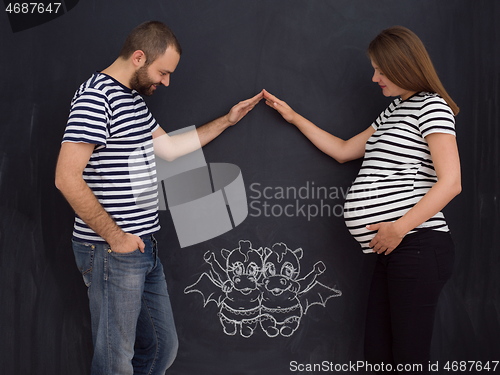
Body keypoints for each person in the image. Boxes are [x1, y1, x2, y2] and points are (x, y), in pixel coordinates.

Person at [55, 21, 262, 375]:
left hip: (143, 248)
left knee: (161, 349)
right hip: (112, 251)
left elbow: (169, 149)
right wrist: (116, 237)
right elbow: (66, 178)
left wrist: (227, 121)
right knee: (115, 362)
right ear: (139, 57)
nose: (165, 82)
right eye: (163, 72)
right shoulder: (96, 97)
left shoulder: (131, 98)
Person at [263, 26, 461, 374]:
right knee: (379, 357)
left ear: (402, 65)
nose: (374, 78)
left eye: (380, 70)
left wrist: (398, 230)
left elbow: (451, 184)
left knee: (408, 360)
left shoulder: (432, 107)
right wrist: (293, 118)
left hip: (416, 245)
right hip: (393, 250)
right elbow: (343, 151)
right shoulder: (394, 111)